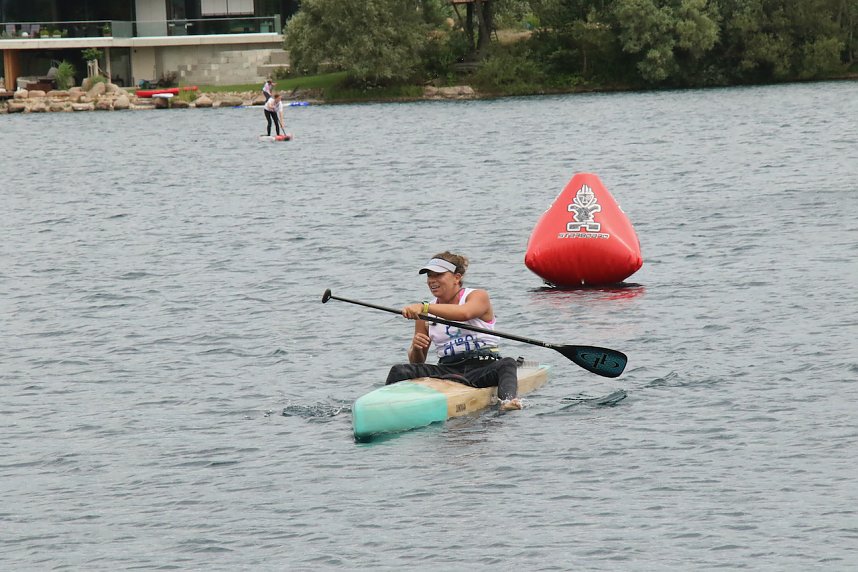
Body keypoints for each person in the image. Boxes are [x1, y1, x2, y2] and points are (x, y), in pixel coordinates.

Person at [385, 251, 523, 411]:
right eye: (429, 276)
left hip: (483, 368)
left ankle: (508, 402)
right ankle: (385, 407)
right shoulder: (424, 312)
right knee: (399, 370)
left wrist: (425, 308)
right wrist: (416, 348)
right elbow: (418, 362)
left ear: (457, 277)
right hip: (447, 370)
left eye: (438, 275)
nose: (432, 280)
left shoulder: (478, 296)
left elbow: (465, 313)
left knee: (507, 363)